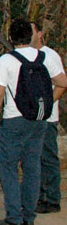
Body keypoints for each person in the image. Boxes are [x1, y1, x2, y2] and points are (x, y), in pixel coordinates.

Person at [0, 19, 67, 225]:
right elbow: (63, 82)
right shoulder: (44, 57)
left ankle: (14, 217)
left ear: (11, 38)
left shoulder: (6, 60)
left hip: (15, 119)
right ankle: (29, 215)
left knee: (9, 167)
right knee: (32, 166)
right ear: (31, 36)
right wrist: (48, 102)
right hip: (39, 120)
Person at [32, 22, 66, 214]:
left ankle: (52, 199)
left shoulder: (49, 56)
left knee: (48, 158)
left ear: (40, 34)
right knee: (37, 158)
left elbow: (61, 83)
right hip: (34, 117)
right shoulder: (29, 56)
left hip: (47, 118)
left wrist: (47, 103)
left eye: (33, 31)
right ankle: (41, 195)